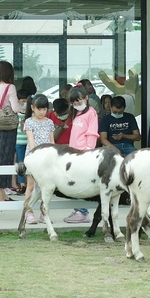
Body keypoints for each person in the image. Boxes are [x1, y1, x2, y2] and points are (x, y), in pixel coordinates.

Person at [0, 60, 24, 203]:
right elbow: (15, 108)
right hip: (8, 128)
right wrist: (22, 106)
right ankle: (0, 193)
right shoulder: (10, 87)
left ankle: (0, 192)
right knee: (6, 157)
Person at [64, 85, 99, 223]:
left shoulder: (91, 113)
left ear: (86, 98)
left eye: (79, 101)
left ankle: (82, 212)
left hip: (83, 154)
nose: (77, 104)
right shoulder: (77, 113)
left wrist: (87, 151)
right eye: (74, 102)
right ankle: (79, 210)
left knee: (81, 184)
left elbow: (92, 133)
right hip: (74, 154)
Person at [22, 94, 56, 225]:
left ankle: (44, 212)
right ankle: (28, 212)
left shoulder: (49, 122)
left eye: (44, 109)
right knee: (31, 185)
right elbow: (31, 142)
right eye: (39, 109)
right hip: (34, 159)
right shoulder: (29, 122)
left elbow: (52, 141)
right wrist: (37, 157)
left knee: (45, 187)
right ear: (32, 108)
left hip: (47, 159)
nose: (42, 112)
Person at [13, 88, 32, 195]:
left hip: (29, 142)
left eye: (26, 101)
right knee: (20, 162)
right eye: (22, 101)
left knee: (29, 163)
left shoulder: (31, 114)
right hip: (19, 142)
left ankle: (28, 183)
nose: (24, 103)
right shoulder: (15, 114)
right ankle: (21, 184)